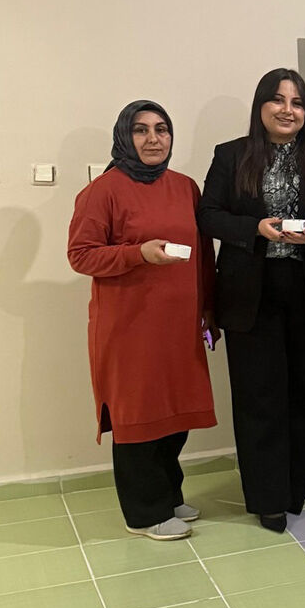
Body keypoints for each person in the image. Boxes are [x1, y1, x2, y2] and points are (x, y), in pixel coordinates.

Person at [198, 68, 305, 533]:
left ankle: (295, 490)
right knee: (258, 398)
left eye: (297, 103)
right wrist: (255, 229)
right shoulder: (230, 155)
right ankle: (267, 498)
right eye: (278, 100)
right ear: (260, 106)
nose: (288, 110)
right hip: (251, 291)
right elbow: (208, 215)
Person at [68, 100, 218, 541]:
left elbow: (202, 255)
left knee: (175, 414)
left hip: (179, 325)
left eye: (162, 129)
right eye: (141, 129)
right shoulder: (104, 191)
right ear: (124, 137)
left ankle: (168, 495)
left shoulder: (185, 187)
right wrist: (138, 254)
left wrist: (209, 309)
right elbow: (81, 254)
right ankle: (144, 513)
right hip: (129, 328)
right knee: (138, 418)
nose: (153, 139)